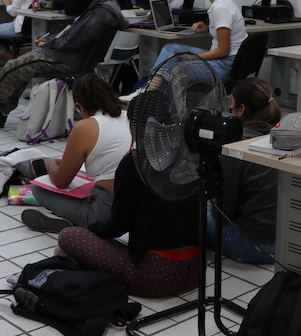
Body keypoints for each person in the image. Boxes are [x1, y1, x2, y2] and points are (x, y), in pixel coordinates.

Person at [57, 89, 200, 299]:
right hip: (196, 272)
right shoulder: (191, 156)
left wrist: (91, 230)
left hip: (155, 278)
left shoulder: (135, 164)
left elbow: (116, 227)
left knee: (69, 236)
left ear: (133, 125)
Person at [0, 0, 130, 127]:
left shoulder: (102, 13)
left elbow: (73, 42)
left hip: (69, 59)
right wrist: (50, 40)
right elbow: (74, 38)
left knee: (14, 66)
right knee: (21, 66)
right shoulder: (105, 8)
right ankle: (2, 111)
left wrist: (48, 42)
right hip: (69, 56)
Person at [20, 72, 132, 232]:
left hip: (109, 213)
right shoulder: (130, 117)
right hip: (141, 206)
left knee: (38, 189)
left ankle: (75, 223)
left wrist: (53, 164)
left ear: (80, 107)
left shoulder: (86, 126)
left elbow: (61, 181)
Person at [207, 78, 282, 264]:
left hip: (259, 246)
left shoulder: (236, 147)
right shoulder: (283, 137)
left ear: (241, 110)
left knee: (192, 209)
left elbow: (223, 213)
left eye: (231, 107)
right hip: (290, 242)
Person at [145, 0, 247, 86]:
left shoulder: (221, 8)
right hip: (226, 61)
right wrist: (207, 28)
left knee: (175, 69)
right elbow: (224, 30)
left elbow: (223, 51)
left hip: (224, 65)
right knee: (171, 49)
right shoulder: (225, 1)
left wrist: (195, 58)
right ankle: (150, 89)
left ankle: (150, 90)